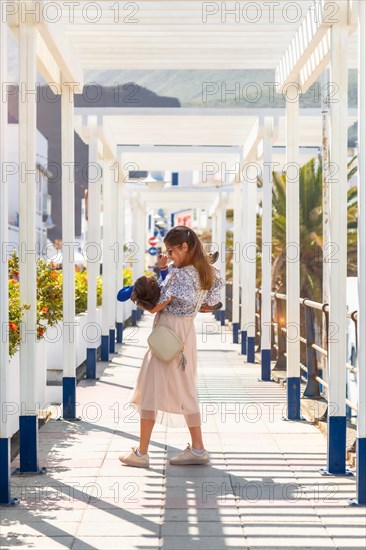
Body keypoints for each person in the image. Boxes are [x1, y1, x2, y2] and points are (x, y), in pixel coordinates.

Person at [119, 226, 224, 468]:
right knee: (186, 388)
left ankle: (142, 452)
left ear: (184, 247)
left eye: (171, 250)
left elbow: (158, 303)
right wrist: (167, 269)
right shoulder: (208, 273)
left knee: (150, 389)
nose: (169, 255)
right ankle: (197, 448)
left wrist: (140, 296)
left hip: (167, 333)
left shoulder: (180, 274)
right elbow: (209, 303)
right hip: (186, 334)